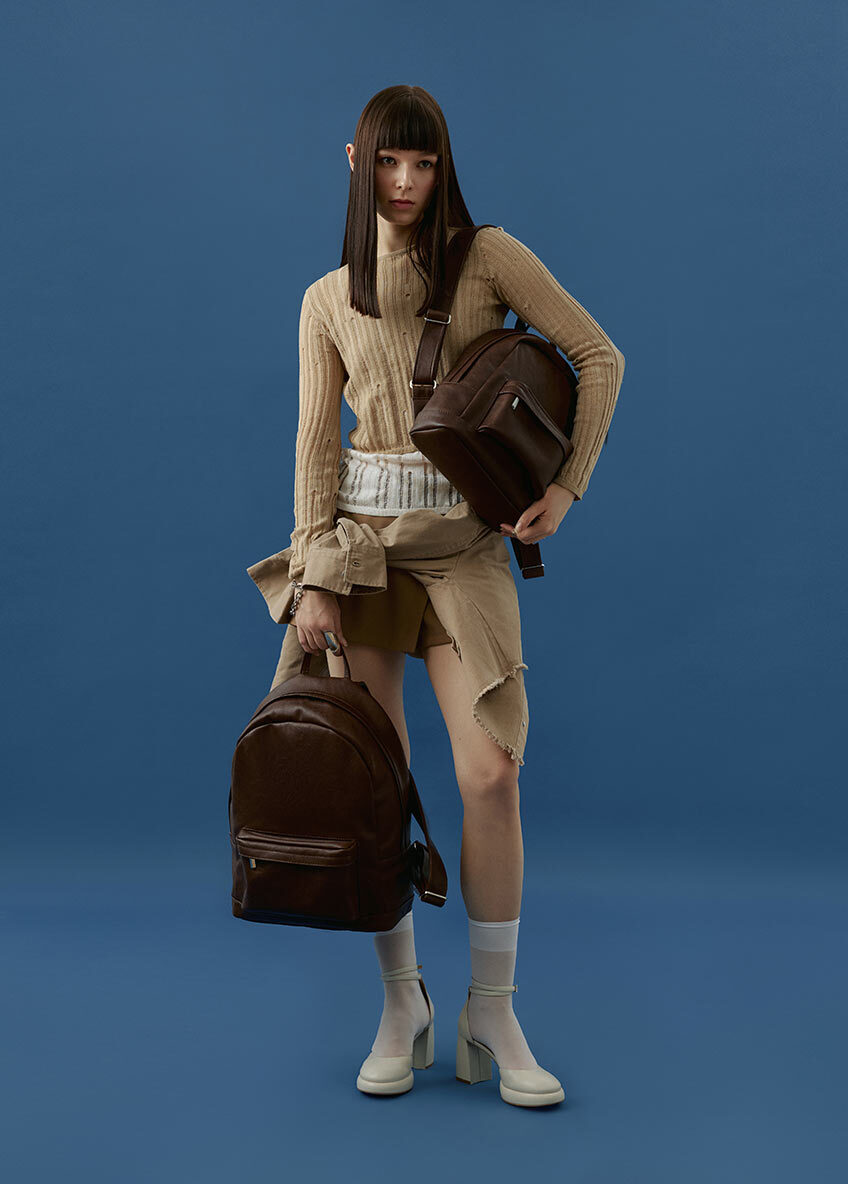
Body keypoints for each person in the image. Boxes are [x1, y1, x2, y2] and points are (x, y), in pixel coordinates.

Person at [286, 84, 625, 1106]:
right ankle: (403, 1003)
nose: (404, 182)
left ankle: (491, 1009)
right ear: (356, 161)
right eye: (388, 162)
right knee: (374, 783)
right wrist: (311, 576)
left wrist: (566, 485)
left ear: (443, 168)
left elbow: (597, 355)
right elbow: (315, 449)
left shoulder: (487, 257)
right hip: (362, 556)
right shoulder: (324, 299)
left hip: (466, 554)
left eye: (423, 163)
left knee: (490, 777)